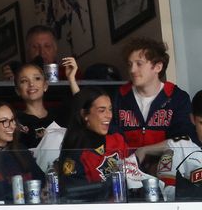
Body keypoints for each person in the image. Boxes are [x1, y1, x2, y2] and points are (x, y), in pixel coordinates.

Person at [112, 37, 196, 174]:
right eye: (129, 64)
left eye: (139, 64)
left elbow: (184, 141)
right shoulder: (119, 97)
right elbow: (112, 138)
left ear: (158, 67)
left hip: (168, 173)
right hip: (128, 172)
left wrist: (145, 150)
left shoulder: (177, 98)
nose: (132, 70)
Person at [58, 87, 127, 201]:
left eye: (110, 109)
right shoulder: (75, 154)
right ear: (85, 114)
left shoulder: (117, 140)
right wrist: (113, 182)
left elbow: (136, 171)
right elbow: (74, 193)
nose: (109, 115)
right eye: (102, 110)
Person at [14, 57, 79, 149]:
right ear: (17, 90)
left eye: (37, 78)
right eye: (24, 81)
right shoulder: (16, 121)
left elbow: (83, 111)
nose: (31, 84)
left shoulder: (60, 115)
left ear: (45, 86)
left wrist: (71, 79)